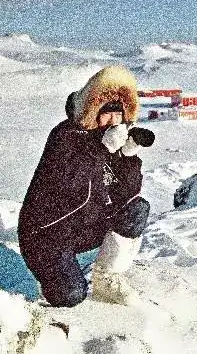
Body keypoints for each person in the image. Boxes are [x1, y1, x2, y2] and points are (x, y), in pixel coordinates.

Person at [18, 65, 150, 307]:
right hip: (47, 233)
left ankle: (107, 277)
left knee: (136, 208)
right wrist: (101, 149)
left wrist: (128, 158)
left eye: (118, 114)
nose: (113, 121)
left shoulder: (111, 141)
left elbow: (126, 195)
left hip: (82, 226)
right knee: (71, 296)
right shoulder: (65, 136)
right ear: (93, 110)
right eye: (106, 112)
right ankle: (46, 282)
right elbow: (71, 188)